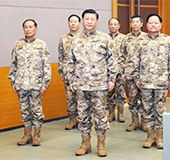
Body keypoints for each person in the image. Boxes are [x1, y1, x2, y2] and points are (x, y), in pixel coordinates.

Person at [67, 9, 117, 157]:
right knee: (82, 116)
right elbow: (70, 62)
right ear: (82, 21)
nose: (89, 21)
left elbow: (112, 61)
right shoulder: (75, 40)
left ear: (96, 21)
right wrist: (71, 80)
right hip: (81, 85)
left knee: (100, 115)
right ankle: (85, 144)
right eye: (87, 19)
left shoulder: (105, 39)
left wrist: (112, 79)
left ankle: (101, 145)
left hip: (99, 85)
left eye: (92, 19)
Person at [133, 14, 170, 149]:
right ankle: (150, 137)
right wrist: (136, 78)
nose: (153, 25)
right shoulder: (140, 40)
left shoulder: (167, 40)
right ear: (146, 25)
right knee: (147, 110)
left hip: (161, 82)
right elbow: (135, 61)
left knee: (160, 110)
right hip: (145, 82)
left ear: (160, 25)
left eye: (156, 23)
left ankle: (160, 138)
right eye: (150, 23)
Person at [8, 19, 51, 146]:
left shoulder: (41, 45)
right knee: (25, 110)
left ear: (35, 29)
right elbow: (13, 64)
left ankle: (36, 136)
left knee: (36, 110)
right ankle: (27, 135)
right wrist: (13, 81)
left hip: (36, 84)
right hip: (21, 83)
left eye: (30, 27)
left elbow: (46, 66)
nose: (28, 29)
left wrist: (45, 83)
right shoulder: (18, 44)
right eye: (26, 27)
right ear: (23, 29)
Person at [120, 15, 147, 132]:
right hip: (130, 74)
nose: (135, 24)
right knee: (132, 99)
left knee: (145, 99)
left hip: (144, 74)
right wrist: (123, 72)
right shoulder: (126, 39)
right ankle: (134, 121)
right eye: (133, 22)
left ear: (141, 24)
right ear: (130, 24)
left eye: (137, 22)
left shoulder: (146, 37)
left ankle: (145, 121)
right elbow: (121, 56)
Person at [58, 14, 81, 130]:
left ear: (79, 24)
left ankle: (82, 120)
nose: (73, 24)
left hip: (82, 74)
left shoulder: (83, 38)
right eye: (71, 22)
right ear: (68, 23)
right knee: (70, 98)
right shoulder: (63, 39)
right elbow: (60, 56)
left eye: (75, 22)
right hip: (68, 74)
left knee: (82, 99)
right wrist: (61, 71)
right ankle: (72, 120)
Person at [107, 17, 126, 123]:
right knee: (109, 93)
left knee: (120, 92)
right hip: (108, 71)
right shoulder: (105, 38)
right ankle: (111, 114)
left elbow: (126, 55)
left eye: (115, 24)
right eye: (111, 24)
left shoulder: (124, 38)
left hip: (120, 71)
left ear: (119, 26)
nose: (113, 26)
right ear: (108, 26)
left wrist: (124, 71)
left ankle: (120, 114)